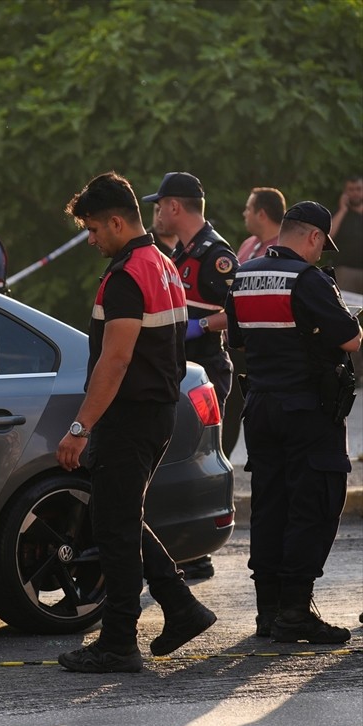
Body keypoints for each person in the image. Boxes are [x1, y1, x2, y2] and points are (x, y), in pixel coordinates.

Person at [56, 171, 216, 674]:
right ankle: (180, 606)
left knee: (116, 530)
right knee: (118, 518)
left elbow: (115, 361)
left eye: (95, 229)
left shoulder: (127, 275)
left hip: (129, 418)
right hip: (156, 412)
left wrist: (80, 428)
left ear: (118, 222)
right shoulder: (163, 264)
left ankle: (120, 642)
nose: (91, 238)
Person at [225, 201, 360, 644]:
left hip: (260, 406)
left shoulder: (244, 274)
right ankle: (296, 612)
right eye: (322, 246)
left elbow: (238, 338)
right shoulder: (309, 279)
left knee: (270, 506)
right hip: (307, 410)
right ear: (314, 237)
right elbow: (350, 338)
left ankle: (269, 614)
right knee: (314, 505)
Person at [143, 172, 239, 581]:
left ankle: (195, 552)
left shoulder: (215, 254)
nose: (157, 214)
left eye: (160, 206)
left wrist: (202, 326)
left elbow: (239, 310)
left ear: (175, 207)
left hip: (206, 370)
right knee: (176, 459)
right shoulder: (181, 253)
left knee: (193, 460)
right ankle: (184, 549)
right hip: (182, 369)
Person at [328, 175, 363, 294]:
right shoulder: (338, 214)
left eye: (358, 189)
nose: (355, 193)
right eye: (351, 189)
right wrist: (342, 210)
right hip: (345, 272)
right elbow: (329, 236)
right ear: (345, 192)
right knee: (347, 311)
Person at [237, 187, 286, 263]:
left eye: (248, 209)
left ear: (261, 214)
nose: (244, 214)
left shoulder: (285, 249)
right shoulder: (247, 244)